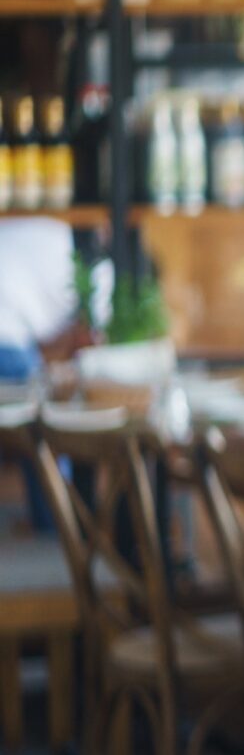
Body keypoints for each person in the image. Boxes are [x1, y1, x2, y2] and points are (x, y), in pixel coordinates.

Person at [0, 218, 92, 530]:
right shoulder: (97, 262)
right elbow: (88, 337)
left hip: (12, 334)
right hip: (7, 338)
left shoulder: (58, 233)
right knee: (42, 426)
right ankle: (55, 522)